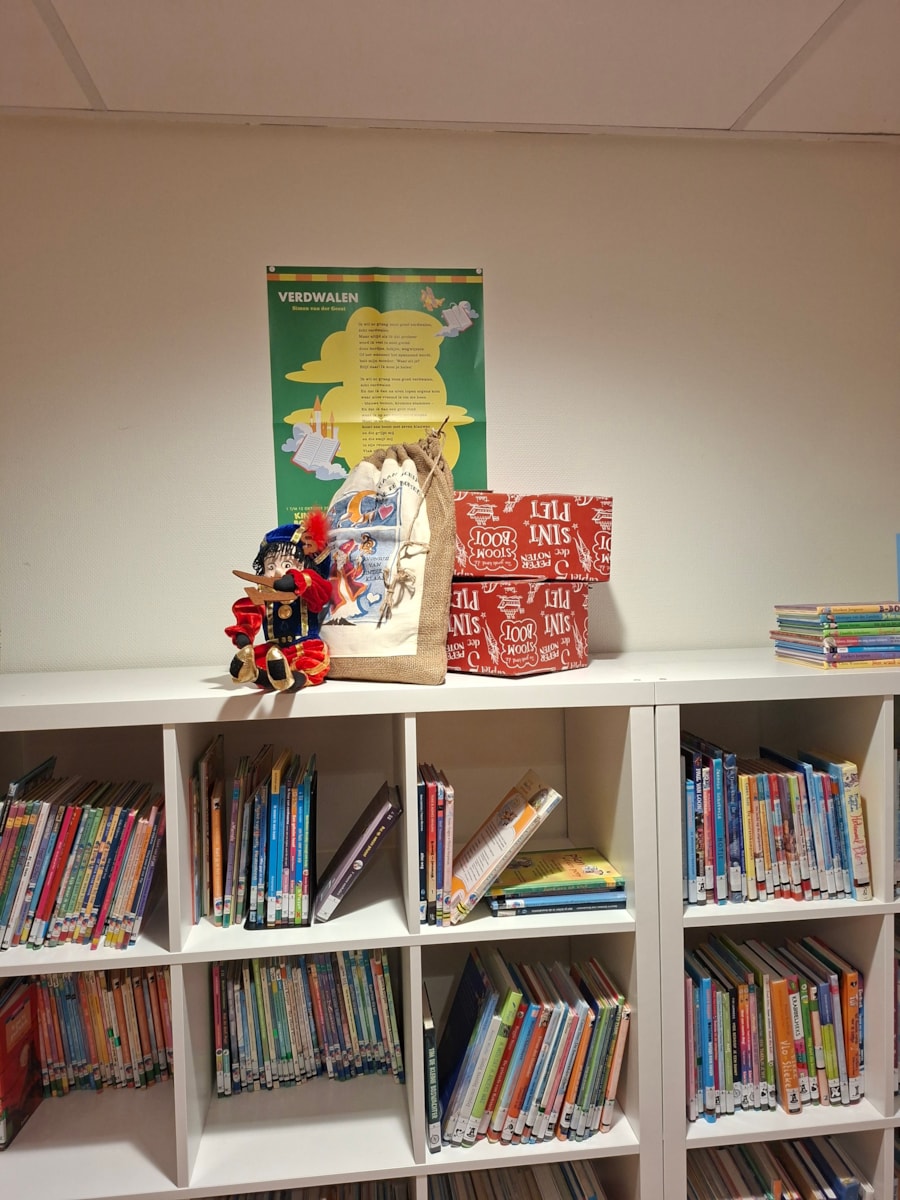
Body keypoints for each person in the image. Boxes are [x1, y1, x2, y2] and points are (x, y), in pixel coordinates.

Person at [225, 508, 331, 691]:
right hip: (275, 650)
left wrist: (295, 580)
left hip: (304, 646)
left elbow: (321, 590)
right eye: (271, 566)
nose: (278, 571)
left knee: (313, 661)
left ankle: (295, 679)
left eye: (288, 564)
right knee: (261, 658)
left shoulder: (307, 588)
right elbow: (250, 613)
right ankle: (257, 675)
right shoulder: (264, 593)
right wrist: (244, 636)